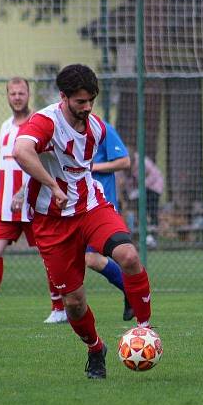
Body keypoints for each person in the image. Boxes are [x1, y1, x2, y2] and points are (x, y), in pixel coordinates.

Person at [13, 64, 154, 379]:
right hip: (51, 223)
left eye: (91, 100)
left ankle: (145, 330)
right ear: (62, 97)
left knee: (128, 256)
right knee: (74, 303)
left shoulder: (98, 128)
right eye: (80, 102)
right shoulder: (45, 122)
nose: (87, 107)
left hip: (90, 207)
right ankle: (95, 349)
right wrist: (50, 185)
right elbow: (21, 150)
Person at [0, 77, 68, 325]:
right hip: (5, 206)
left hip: (32, 203)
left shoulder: (38, 124)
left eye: (21, 93)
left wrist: (22, 191)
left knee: (48, 254)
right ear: (7, 96)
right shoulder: (5, 126)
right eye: (13, 93)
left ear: (29, 95)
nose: (17, 97)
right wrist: (5, 196)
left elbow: (40, 164)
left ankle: (59, 308)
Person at [86, 121, 134, 321]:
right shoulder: (62, 130)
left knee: (90, 259)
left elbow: (124, 161)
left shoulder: (101, 128)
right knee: (85, 260)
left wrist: (93, 166)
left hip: (100, 205)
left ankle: (132, 289)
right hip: (75, 206)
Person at [126, 153, 163, 228]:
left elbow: (155, 175)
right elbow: (129, 180)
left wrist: (143, 185)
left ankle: (153, 230)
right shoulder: (126, 165)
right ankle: (141, 226)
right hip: (142, 189)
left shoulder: (143, 162)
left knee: (152, 208)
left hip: (155, 186)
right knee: (139, 207)